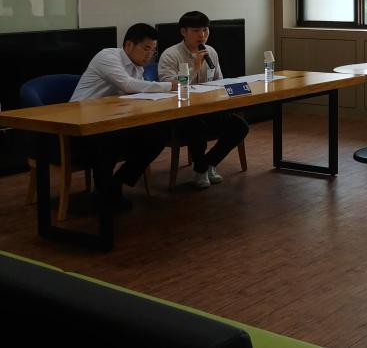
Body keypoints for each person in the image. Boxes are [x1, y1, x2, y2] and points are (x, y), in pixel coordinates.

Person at [70, 23, 173, 210]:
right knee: (110, 140)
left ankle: (115, 183)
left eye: (153, 51)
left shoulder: (137, 67)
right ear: (128, 45)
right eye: (146, 48)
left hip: (111, 120)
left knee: (158, 136)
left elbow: (138, 95)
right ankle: (104, 193)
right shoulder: (107, 57)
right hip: (81, 124)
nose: (150, 55)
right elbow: (128, 85)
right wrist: (169, 86)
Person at [158, 11, 249, 188]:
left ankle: (208, 164)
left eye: (205, 30)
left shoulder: (210, 51)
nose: (202, 35)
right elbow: (168, 87)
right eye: (196, 30)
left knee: (240, 126)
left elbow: (219, 81)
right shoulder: (171, 55)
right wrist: (195, 68)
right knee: (196, 126)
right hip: (181, 114)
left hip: (208, 109)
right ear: (183, 32)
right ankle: (201, 170)